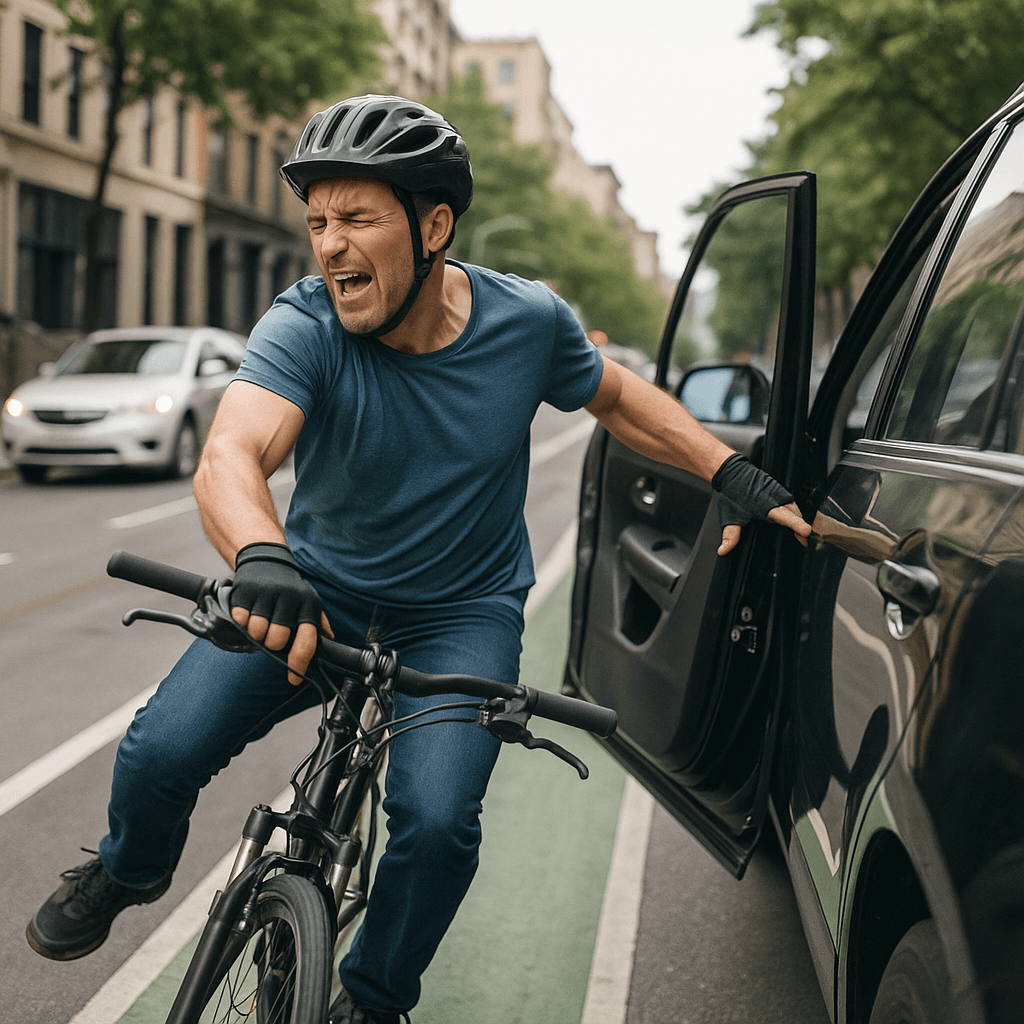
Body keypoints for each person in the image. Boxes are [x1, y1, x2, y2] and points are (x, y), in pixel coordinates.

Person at [27, 94, 811, 1023]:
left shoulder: (528, 322)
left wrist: (729, 471)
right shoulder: (306, 323)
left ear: (434, 227)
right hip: (309, 592)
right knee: (160, 749)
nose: (330, 245)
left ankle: (372, 998)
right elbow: (231, 453)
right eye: (318, 221)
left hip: (460, 615)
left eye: (357, 219)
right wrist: (262, 555)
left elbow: (616, 398)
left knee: (438, 827)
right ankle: (129, 869)